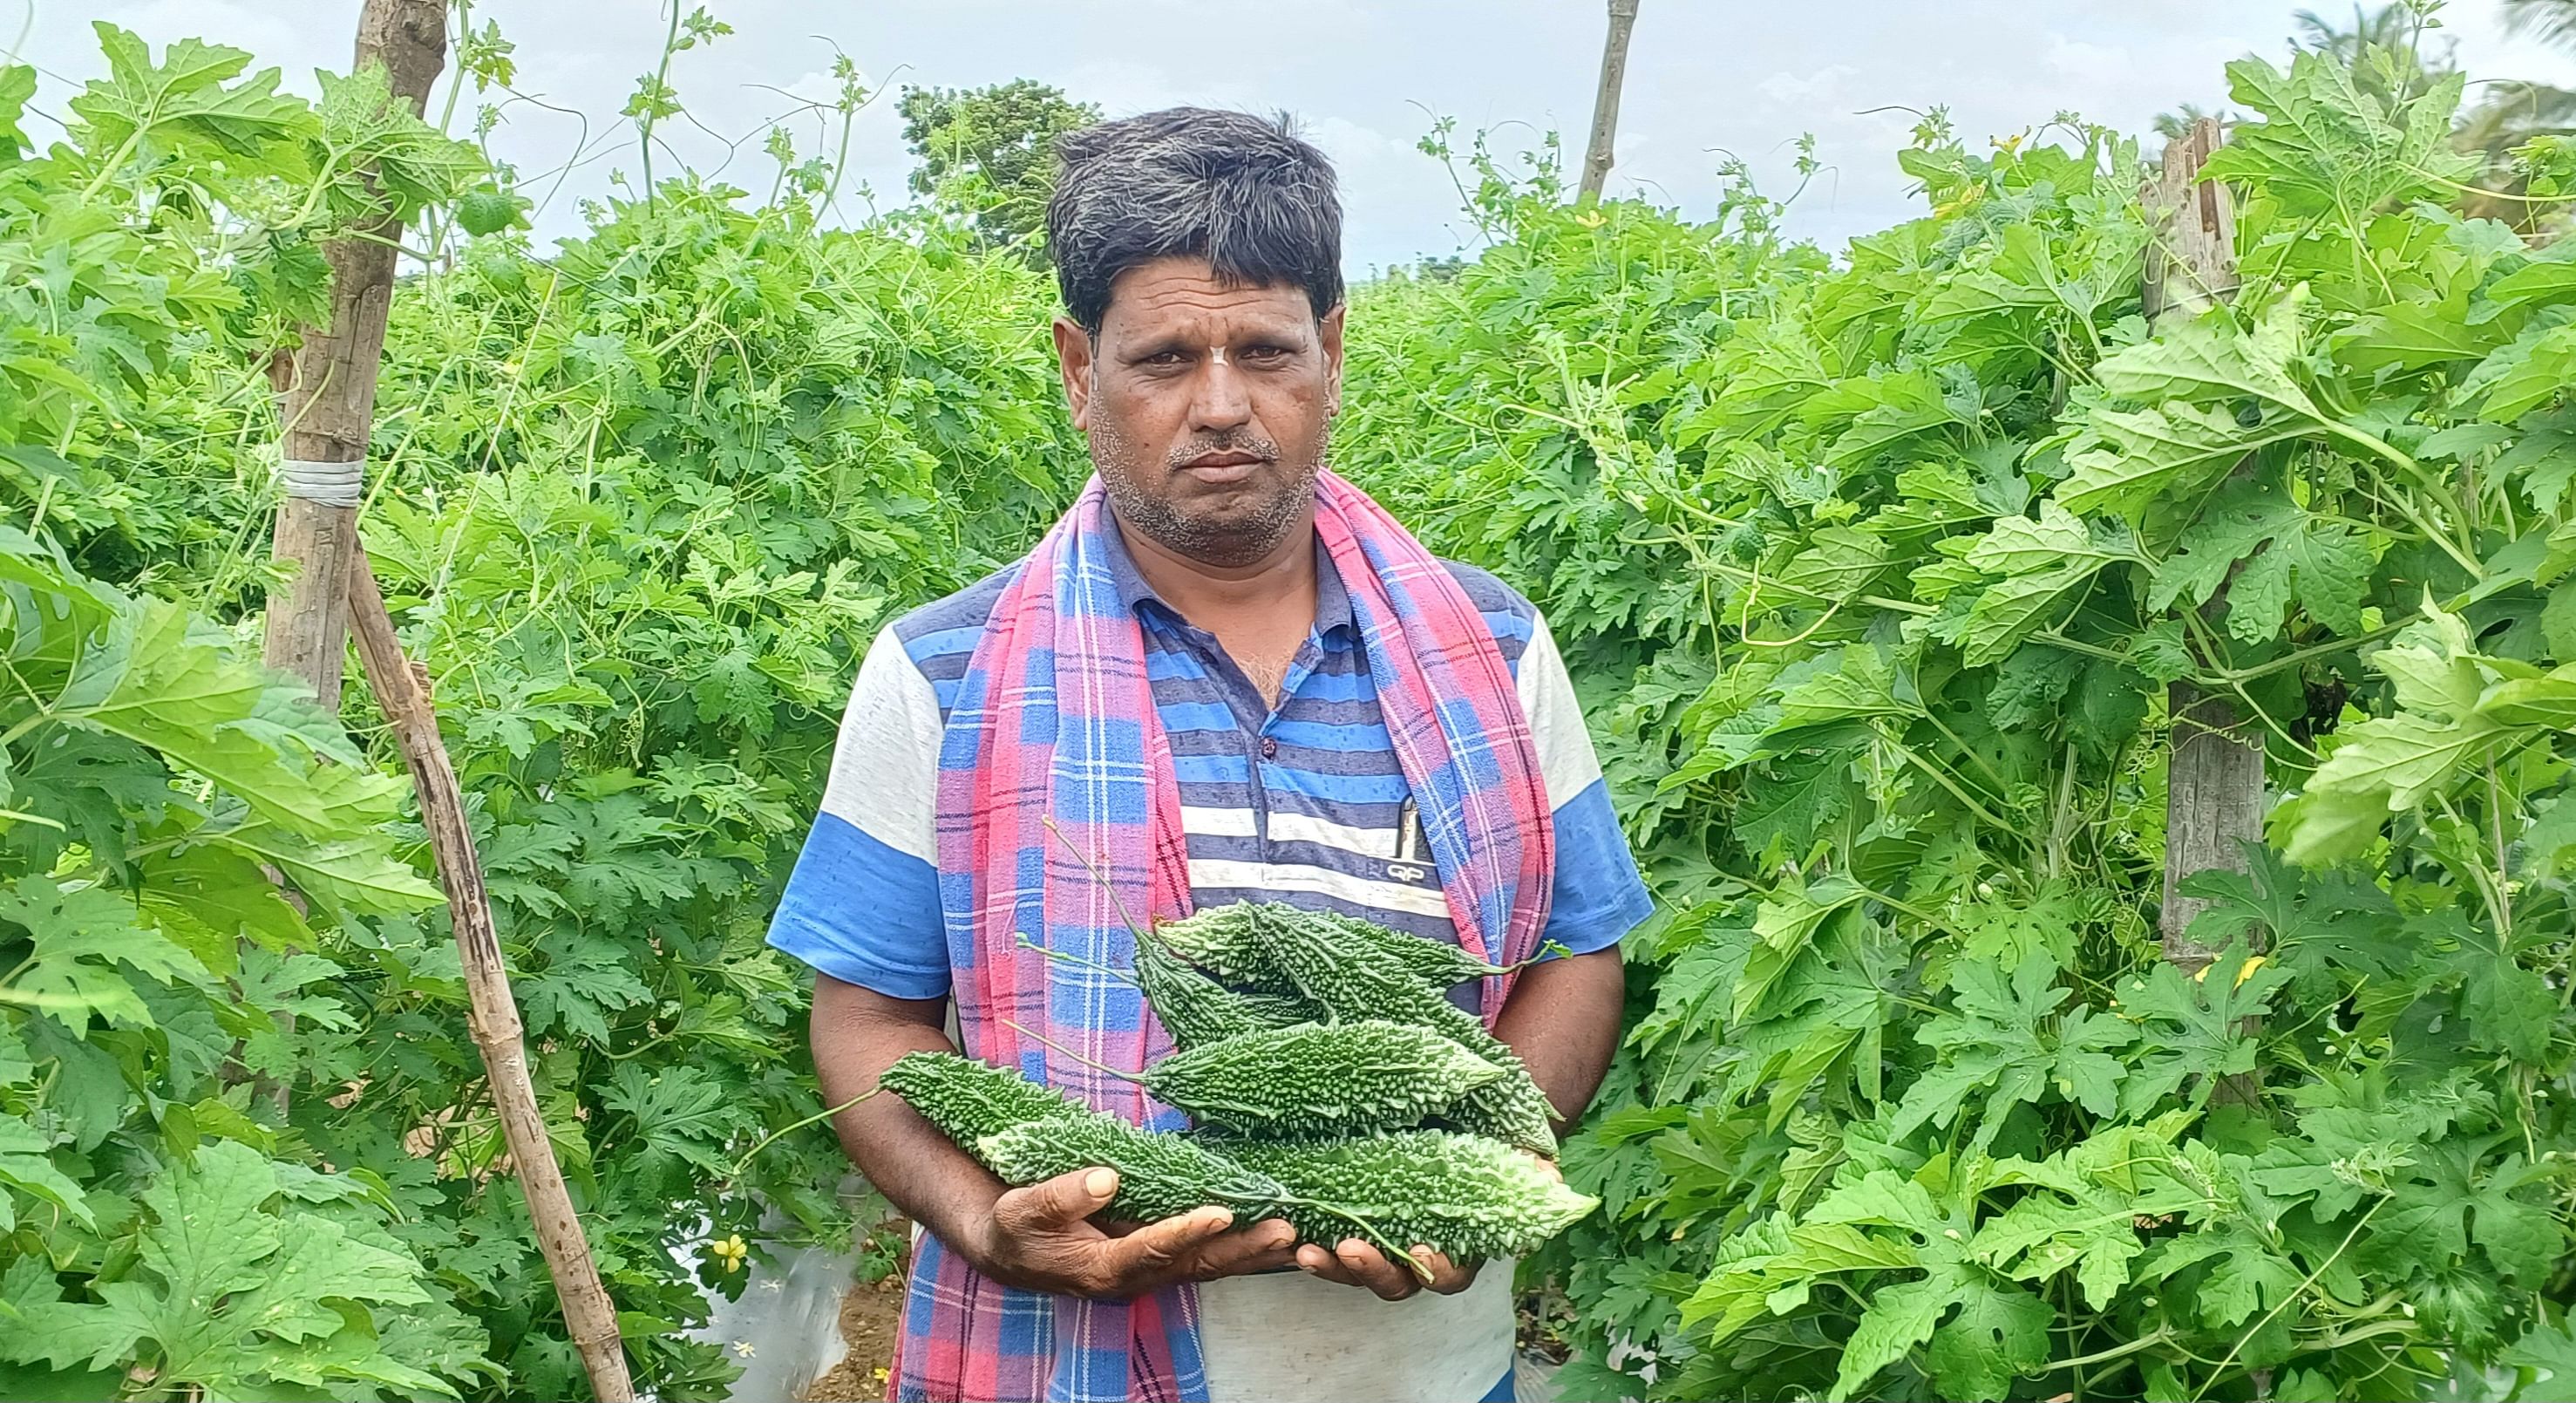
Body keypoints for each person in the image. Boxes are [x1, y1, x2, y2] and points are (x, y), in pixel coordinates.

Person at [766, 106, 1649, 1403]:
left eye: (1266, 350)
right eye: (1166, 356)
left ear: (1332, 353)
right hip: (1063, 1371)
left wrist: (1481, 1159)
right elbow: (867, 1016)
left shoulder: (1498, 645)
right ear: (1079, 368)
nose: (1223, 404)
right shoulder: (940, 673)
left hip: (1434, 1375)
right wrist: (982, 1218)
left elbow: (1580, 948)